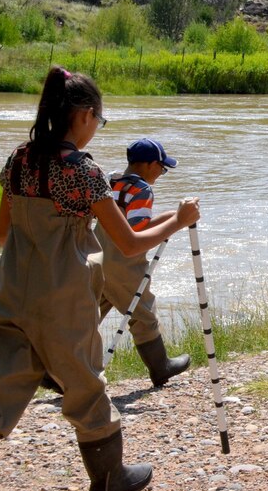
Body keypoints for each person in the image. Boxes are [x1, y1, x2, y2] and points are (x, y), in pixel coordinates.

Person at [0, 66, 199, 491]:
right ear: (85, 116)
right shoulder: (83, 171)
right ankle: (112, 479)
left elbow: (3, 235)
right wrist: (179, 220)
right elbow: (129, 245)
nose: (97, 128)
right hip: (64, 299)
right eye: (100, 120)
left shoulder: (20, 158)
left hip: (11, 295)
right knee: (86, 388)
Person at [92, 138, 190, 387]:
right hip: (124, 263)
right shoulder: (142, 189)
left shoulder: (110, 180)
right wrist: (175, 221)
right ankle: (161, 367)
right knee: (143, 312)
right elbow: (138, 232)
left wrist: (169, 217)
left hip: (95, 255)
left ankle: (54, 370)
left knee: (89, 315)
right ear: (148, 165)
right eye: (161, 167)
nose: (161, 172)